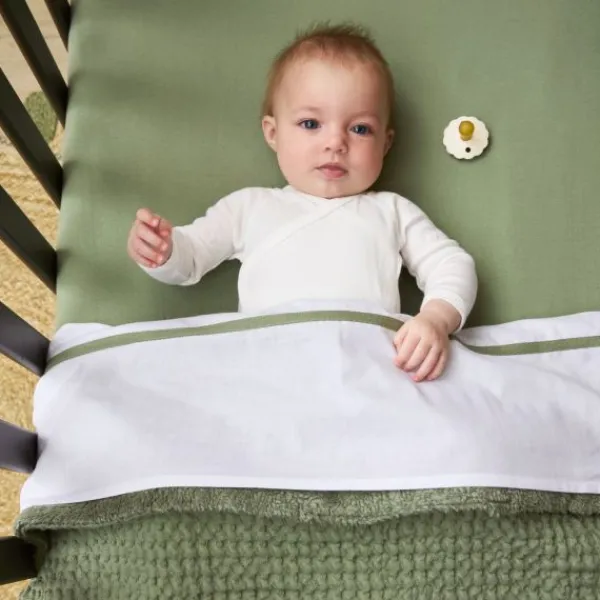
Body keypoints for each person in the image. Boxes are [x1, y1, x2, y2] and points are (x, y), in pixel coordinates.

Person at [126, 23, 477, 383]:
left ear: (385, 144)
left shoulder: (391, 212)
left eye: (360, 129)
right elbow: (191, 258)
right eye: (311, 123)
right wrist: (164, 251)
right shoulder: (249, 207)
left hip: (367, 373)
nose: (335, 143)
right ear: (273, 133)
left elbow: (451, 264)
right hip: (269, 371)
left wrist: (435, 319)